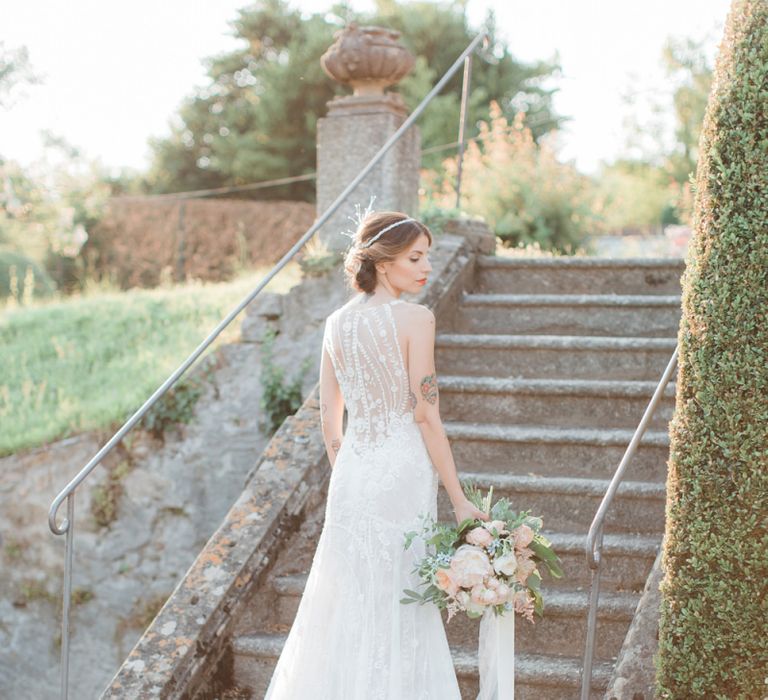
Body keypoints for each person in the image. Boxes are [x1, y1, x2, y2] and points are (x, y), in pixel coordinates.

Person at [263, 211, 490, 699]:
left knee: (346, 599)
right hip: (402, 469)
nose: (426, 265)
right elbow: (426, 415)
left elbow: (330, 420)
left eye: (427, 255)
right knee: (401, 596)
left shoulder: (336, 323)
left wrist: (349, 468)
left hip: (353, 474)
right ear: (384, 264)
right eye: (415, 257)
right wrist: (459, 498)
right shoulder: (416, 318)